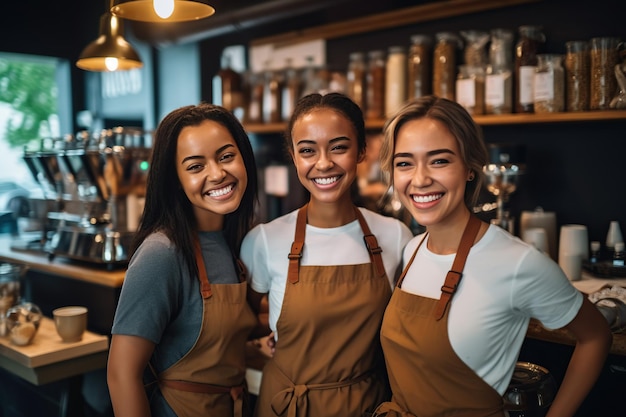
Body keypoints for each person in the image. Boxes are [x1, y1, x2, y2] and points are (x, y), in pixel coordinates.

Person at [373, 95, 612, 417]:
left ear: (470, 168)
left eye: (439, 160)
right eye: (404, 163)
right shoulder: (412, 250)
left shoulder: (516, 262)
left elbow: (596, 336)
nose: (419, 179)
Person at [241, 92, 413, 417]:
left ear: (361, 151)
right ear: (293, 157)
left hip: (368, 403)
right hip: (288, 405)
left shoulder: (395, 236)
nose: (323, 163)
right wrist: (277, 338)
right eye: (308, 150)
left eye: (338, 147)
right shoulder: (264, 240)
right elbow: (242, 321)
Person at [107, 103, 259, 417]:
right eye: (195, 166)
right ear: (175, 179)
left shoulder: (239, 242)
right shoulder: (161, 253)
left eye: (226, 156)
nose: (217, 174)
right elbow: (122, 375)